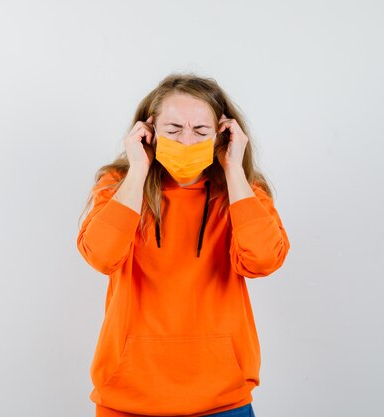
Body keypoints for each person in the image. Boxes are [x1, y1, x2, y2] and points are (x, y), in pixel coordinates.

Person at [76, 73, 291, 417]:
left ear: (223, 134)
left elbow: (263, 260)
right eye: (173, 130)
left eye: (201, 131)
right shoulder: (117, 186)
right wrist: (137, 170)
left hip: (222, 399)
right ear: (148, 133)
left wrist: (234, 169)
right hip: (128, 399)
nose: (187, 141)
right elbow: (101, 256)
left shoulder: (244, 192)